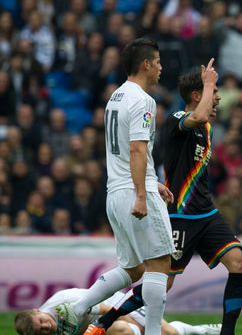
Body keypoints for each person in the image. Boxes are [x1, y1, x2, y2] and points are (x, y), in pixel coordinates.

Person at [83, 60, 242, 334]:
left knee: (239, 263)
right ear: (197, 95)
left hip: (206, 213)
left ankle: (227, 332)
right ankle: (105, 319)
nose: (217, 97)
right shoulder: (177, 120)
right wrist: (208, 81)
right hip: (180, 215)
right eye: (213, 91)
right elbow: (197, 116)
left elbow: (203, 121)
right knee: (162, 282)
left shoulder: (206, 129)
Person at [71, 38, 175, 335]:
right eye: (157, 62)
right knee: (159, 263)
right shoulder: (143, 100)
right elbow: (137, 150)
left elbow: (125, 151)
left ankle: (78, 308)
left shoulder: (115, 97)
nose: (160, 68)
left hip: (114, 192)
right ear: (145, 64)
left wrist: (152, 182)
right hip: (133, 192)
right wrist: (144, 193)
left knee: (133, 268)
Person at [14, 288, 221, 335]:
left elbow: (109, 309)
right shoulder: (43, 331)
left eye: (40, 321)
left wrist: (141, 325)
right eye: (39, 331)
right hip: (96, 328)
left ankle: (204, 330)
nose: (45, 327)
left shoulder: (66, 305)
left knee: (165, 333)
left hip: (117, 305)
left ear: (36, 310)